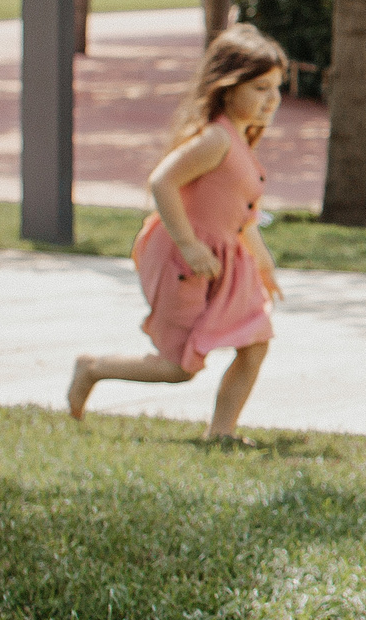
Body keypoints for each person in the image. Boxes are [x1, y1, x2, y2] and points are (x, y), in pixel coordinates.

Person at [67, 23, 287, 441]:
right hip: (188, 264)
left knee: (255, 341)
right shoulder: (214, 140)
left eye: (276, 88)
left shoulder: (241, 142)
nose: (271, 100)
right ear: (226, 87)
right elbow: (162, 181)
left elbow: (244, 219)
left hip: (226, 264)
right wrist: (188, 244)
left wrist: (264, 266)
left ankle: (221, 433)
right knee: (178, 367)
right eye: (260, 88)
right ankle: (92, 367)